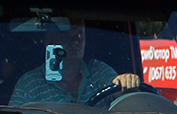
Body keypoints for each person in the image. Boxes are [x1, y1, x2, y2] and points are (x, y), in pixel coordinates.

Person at [9, 18, 140, 106]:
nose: (75, 41)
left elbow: (118, 94)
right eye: (66, 35)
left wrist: (125, 83)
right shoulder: (31, 82)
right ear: (48, 41)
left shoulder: (98, 71)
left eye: (79, 35)